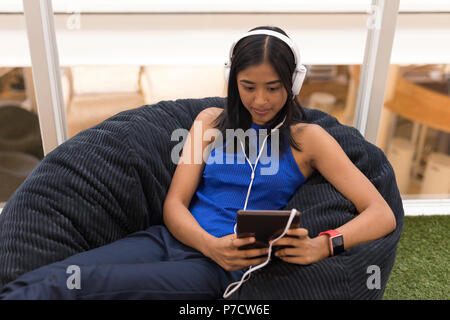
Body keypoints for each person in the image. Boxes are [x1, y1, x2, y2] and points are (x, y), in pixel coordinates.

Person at [0, 26, 396, 300]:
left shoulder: (309, 139)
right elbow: (175, 205)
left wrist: (322, 247)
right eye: (248, 87)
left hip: (221, 271)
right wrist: (208, 244)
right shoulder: (208, 122)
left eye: (274, 88)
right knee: (56, 275)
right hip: (169, 241)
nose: (260, 100)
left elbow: (381, 213)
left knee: (75, 286)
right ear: (231, 81)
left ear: (293, 84)